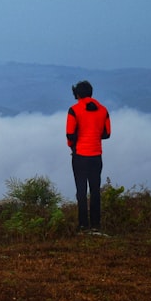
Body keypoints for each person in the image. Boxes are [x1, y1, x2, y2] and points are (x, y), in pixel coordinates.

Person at [66, 80, 111, 233]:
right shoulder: (103, 110)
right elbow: (107, 134)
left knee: (81, 191)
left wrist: (74, 144)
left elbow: (70, 134)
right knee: (95, 190)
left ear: (77, 94)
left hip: (80, 155)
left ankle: (83, 225)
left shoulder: (74, 110)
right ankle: (96, 225)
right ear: (91, 93)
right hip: (96, 155)